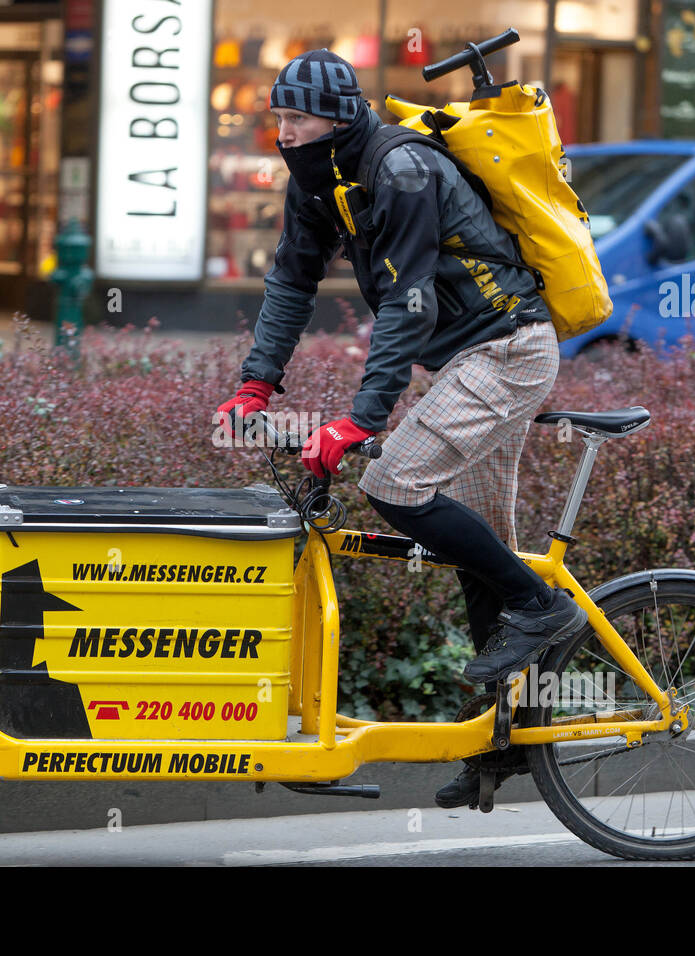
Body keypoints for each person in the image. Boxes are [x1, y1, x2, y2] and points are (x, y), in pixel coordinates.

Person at [215, 50, 587, 808]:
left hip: (509, 349)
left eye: (296, 118)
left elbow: (409, 303)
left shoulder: (402, 171)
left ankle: (546, 609)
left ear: (340, 116)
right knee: (483, 551)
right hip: (465, 362)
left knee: (395, 482)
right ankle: (501, 740)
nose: (284, 133)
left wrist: (360, 420)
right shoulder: (319, 179)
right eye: (278, 119)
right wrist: (256, 382)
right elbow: (291, 280)